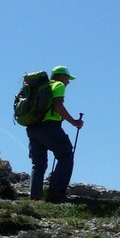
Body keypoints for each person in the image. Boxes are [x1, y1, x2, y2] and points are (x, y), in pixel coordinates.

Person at [27, 66, 84, 203]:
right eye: (67, 78)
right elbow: (58, 105)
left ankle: (35, 196)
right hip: (49, 127)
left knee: (38, 163)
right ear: (61, 76)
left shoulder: (40, 88)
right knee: (66, 155)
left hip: (33, 127)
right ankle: (56, 193)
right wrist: (74, 122)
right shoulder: (58, 85)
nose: (68, 82)